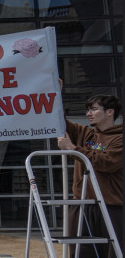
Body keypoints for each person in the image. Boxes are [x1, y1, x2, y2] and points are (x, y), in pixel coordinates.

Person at [57, 94, 123, 258]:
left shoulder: (119, 138)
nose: (88, 114)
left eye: (93, 109)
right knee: (81, 252)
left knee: (113, 252)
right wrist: (56, 92)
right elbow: (59, 121)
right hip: (82, 205)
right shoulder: (86, 134)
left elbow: (107, 162)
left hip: (111, 206)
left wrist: (73, 149)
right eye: (88, 110)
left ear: (110, 112)